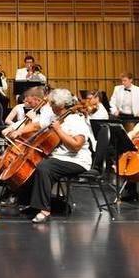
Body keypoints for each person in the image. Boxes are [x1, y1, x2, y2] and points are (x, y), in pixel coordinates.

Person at [28, 88, 93, 224]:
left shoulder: (76, 121)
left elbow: (76, 146)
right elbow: (38, 126)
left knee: (44, 167)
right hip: (59, 157)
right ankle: (31, 204)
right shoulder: (56, 118)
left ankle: (44, 210)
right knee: (32, 163)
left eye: (52, 103)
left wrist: (58, 130)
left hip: (76, 160)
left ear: (61, 105)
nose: (50, 106)